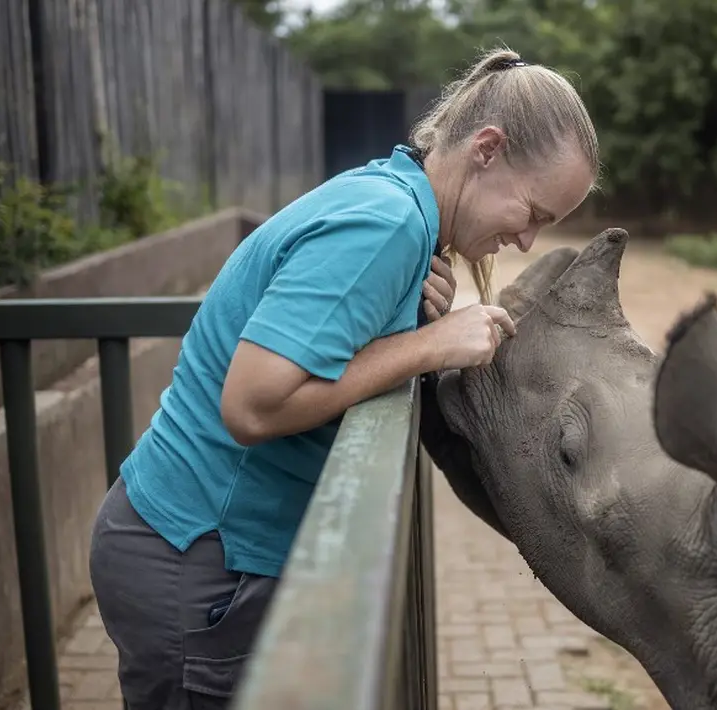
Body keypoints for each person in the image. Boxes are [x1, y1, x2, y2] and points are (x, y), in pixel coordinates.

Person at [87, 46, 601, 709]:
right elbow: (251, 404)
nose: (528, 240)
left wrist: (408, 312)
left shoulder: (396, 206)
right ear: (486, 149)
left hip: (197, 545)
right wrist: (424, 345)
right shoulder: (384, 223)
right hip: (199, 557)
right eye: (532, 213)